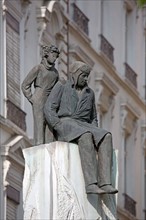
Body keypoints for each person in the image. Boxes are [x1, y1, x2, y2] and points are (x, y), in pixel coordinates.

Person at [44, 61, 118, 195]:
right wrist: (57, 125)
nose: (85, 79)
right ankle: (90, 184)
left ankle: (105, 182)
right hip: (66, 123)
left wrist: (97, 134)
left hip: (84, 124)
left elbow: (93, 116)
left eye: (87, 76)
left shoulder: (90, 93)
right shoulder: (61, 86)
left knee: (106, 135)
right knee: (86, 135)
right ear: (75, 74)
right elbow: (49, 108)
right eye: (83, 76)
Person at [22, 45, 60, 145]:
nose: (55, 58)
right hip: (39, 97)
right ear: (46, 54)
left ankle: (49, 146)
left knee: (49, 124)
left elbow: (58, 88)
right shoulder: (38, 68)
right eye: (53, 55)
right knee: (39, 124)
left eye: (56, 56)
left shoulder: (55, 73)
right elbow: (25, 84)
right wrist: (32, 98)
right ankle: (39, 146)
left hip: (50, 99)